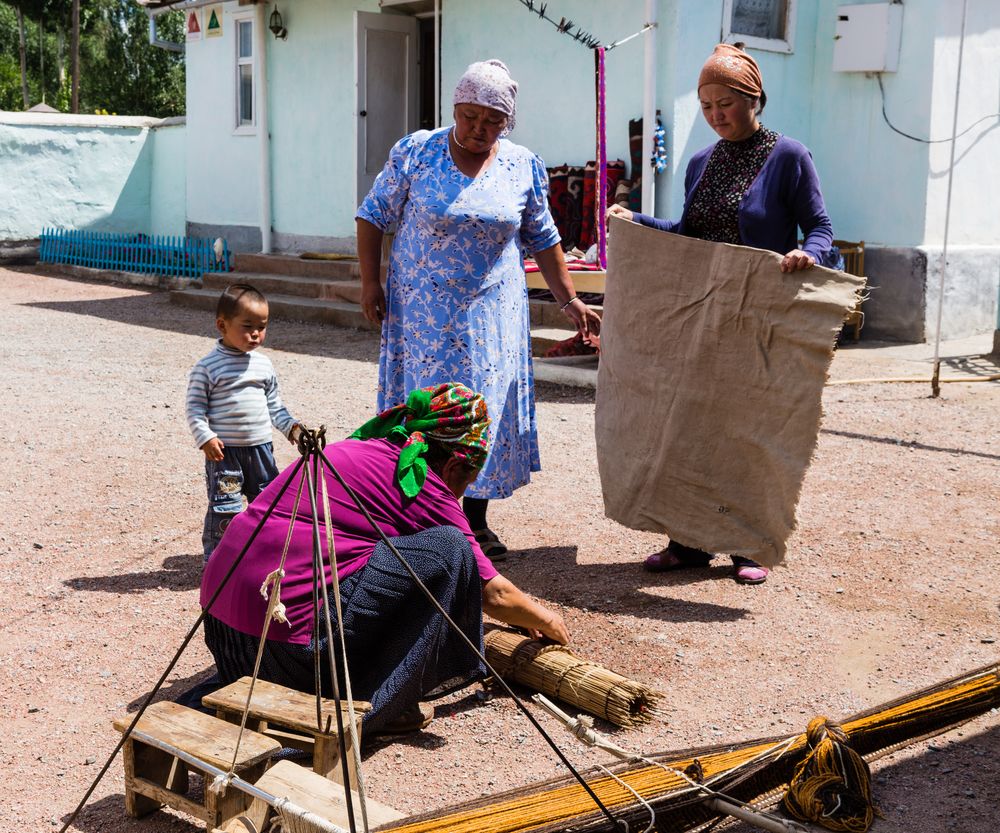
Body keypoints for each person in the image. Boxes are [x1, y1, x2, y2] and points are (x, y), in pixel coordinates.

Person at [199, 382, 568, 735]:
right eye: (467, 482)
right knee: (450, 550)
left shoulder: (354, 449)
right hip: (287, 657)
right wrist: (547, 620)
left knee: (388, 558)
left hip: (227, 643)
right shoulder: (422, 481)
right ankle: (381, 699)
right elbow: (493, 595)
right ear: (455, 466)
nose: (460, 494)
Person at [606, 43, 840, 585]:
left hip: (757, 316)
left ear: (753, 98)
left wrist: (810, 254)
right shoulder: (699, 163)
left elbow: (821, 228)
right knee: (689, 426)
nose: (715, 115)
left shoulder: (789, 157)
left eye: (725, 104)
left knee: (744, 431)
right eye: (707, 105)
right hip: (700, 317)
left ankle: (747, 544)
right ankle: (687, 542)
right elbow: (690, 236)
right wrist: (636, 219)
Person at [355, 59, 601, 561]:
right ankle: (415, 513)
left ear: (508, 123)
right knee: (428, 407)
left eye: (492, 121)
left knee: (480, 410)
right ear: (454, 109)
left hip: (493, 314)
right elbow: (372, 214)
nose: (478, 129)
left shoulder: (521, 163)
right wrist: (368, 282)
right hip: (424, 314)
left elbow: (545, 239)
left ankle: (473, 523)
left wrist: (571, 301)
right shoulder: (417, 151)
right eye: (469, 116)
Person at [186, 283, 301, 562]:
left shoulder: (263, 365)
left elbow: (275, 405)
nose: (256, 333)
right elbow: (195, 408)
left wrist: (293, 428)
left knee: (268, 505)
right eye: (248, 326)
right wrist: (205, 438)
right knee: (225, 509)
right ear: (222, 325)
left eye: (262, 326)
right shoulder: (207, 367)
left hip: (261, 451)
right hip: (226, 454)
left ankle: (266, 556)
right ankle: (219, 562)